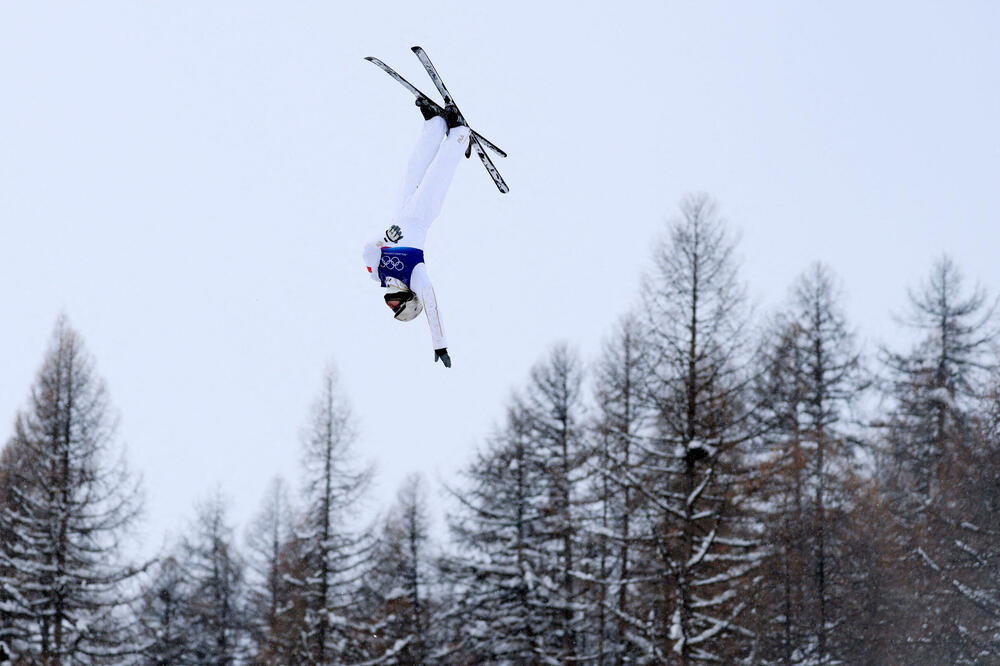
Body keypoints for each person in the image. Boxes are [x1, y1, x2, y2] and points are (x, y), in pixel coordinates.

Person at [363, 98, 471, 368]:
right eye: (395, 306)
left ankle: (435, 125)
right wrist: (440, 344)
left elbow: (367, 250)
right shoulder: (416, 278)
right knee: (437, 176)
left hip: (400, 215)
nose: (390, 303)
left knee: (413, 169)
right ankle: (459, 135)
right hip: (421, 217)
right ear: (410, 303)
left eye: (390, 307)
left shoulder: (378, 274)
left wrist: (385, 239)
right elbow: (432, 307)